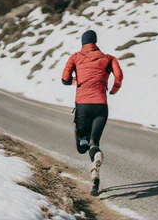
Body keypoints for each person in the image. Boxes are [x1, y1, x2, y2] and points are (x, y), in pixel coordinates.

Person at [61, 29, 123, 196]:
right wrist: (113, 91)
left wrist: (76, 81)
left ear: (83, 42)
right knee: (94, 142)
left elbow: (64, 79)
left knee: (83, 144)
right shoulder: (108, 58)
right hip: (101, 106)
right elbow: (119, 76)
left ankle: (89, 154)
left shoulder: (74, 57)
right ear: (95, 42)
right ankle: (95, 170)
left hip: (83, 106)